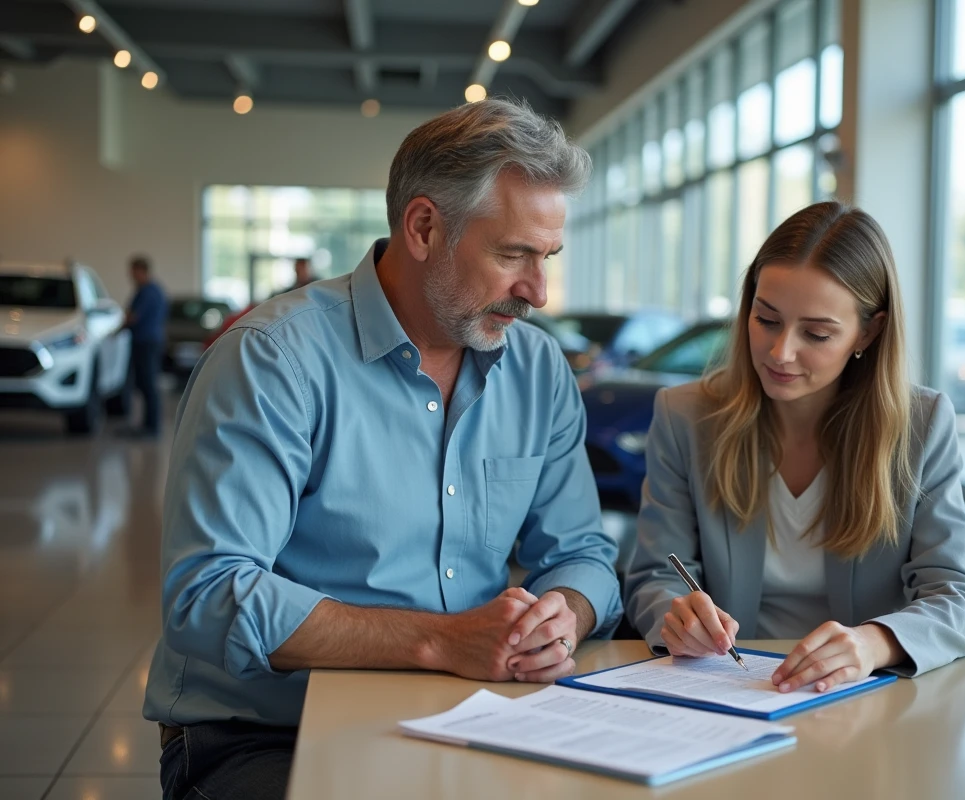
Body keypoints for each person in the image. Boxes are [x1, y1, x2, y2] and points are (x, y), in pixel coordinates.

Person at [143, 98, 621, 800]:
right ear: (424, 226)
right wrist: (437, 640)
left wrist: (564, 614)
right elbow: (210, 595)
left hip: (475, 715)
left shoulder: (538, 369)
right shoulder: (273, 360)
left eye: (546, 256)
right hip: (269, 732)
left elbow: (583, 553)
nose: (539, 293)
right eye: (513, 254)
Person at [623, 201, 965, 695]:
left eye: (816, 333)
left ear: (870, 331)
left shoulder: (920, 425)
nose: (780, 352)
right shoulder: (685, 416)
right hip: (730, 691)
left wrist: (873, 644)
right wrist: (675, 615)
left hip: (869, 703)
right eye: (766, 319)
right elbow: (651, 575)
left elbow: (959, 598)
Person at [123, 255, 168, 437]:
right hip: (148, 341)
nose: (131, 275)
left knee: (148, 384)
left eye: (133, 271)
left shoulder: (148, 292)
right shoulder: (152, 290)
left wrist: (118, 328)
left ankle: (152, 427)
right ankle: (147, 425)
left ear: (142, 271)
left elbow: (133, 317)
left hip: (146, 343)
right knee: (145, 383)